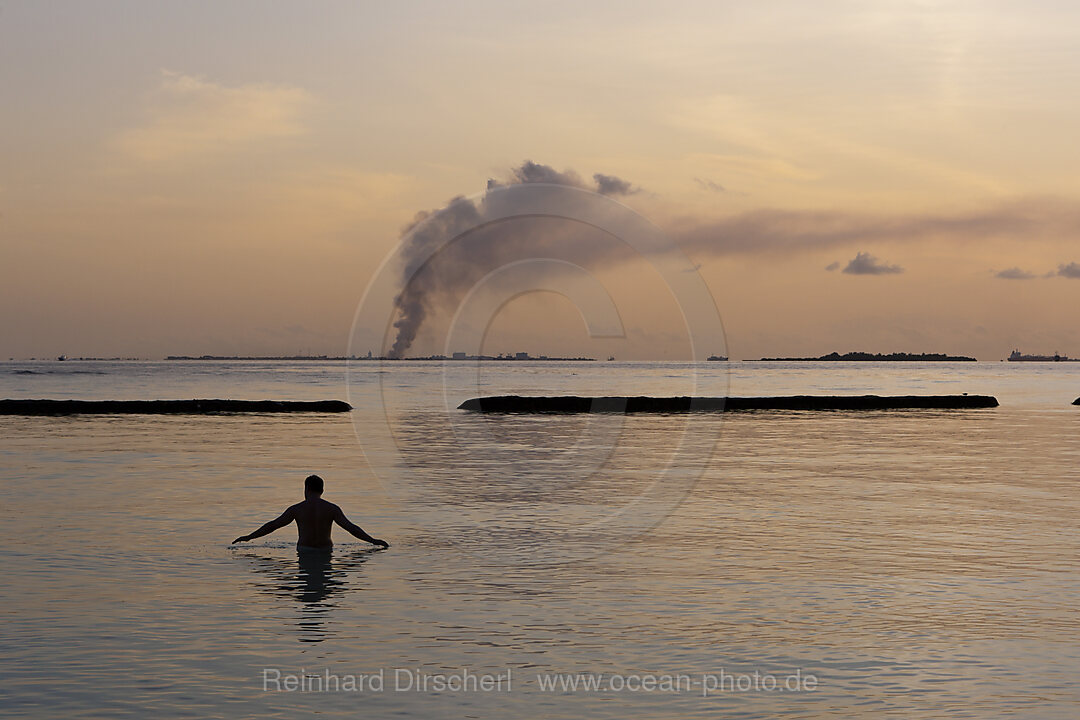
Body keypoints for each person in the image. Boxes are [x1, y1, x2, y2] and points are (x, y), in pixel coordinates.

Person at [232, 475, 389, 550]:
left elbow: (273, 526)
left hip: (305, 551)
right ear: (322, 490)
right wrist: (373, 541)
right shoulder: (332, 509)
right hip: (326, 550)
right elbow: (352, 528)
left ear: (306, 489)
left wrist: (249, 537)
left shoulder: (296, 509)